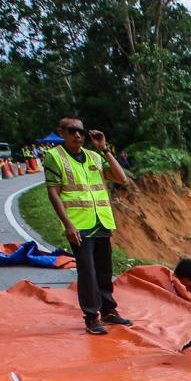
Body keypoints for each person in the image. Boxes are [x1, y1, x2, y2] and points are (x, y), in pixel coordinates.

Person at [42, 115, 132, 335]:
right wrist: (68, 225)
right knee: (87, 271)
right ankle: (92, 317)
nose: (77, 135)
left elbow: (122, 179)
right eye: (71, 130)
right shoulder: (54, 157)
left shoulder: (94, 156)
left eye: (81, 131)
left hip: (101, 221)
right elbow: (53, 192)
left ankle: (109, 310)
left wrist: (104, 149)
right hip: (79, 225)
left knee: (104, 269)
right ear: (61, 132)